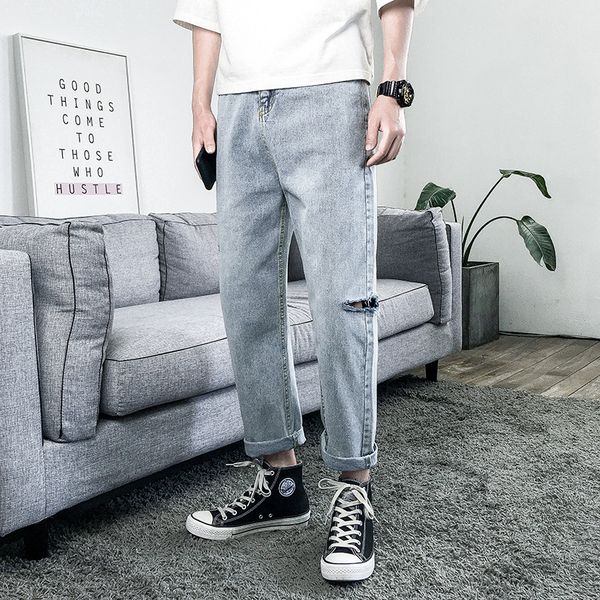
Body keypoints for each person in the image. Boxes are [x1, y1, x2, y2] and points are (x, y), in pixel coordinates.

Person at [172, 0, 427, 582]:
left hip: (330, 93)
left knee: (342, 300)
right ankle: (280, 482)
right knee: (246, 302)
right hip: (239, 108)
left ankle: (353, 487)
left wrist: (391, 87)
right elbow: (207, 12)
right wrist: (200, 102)